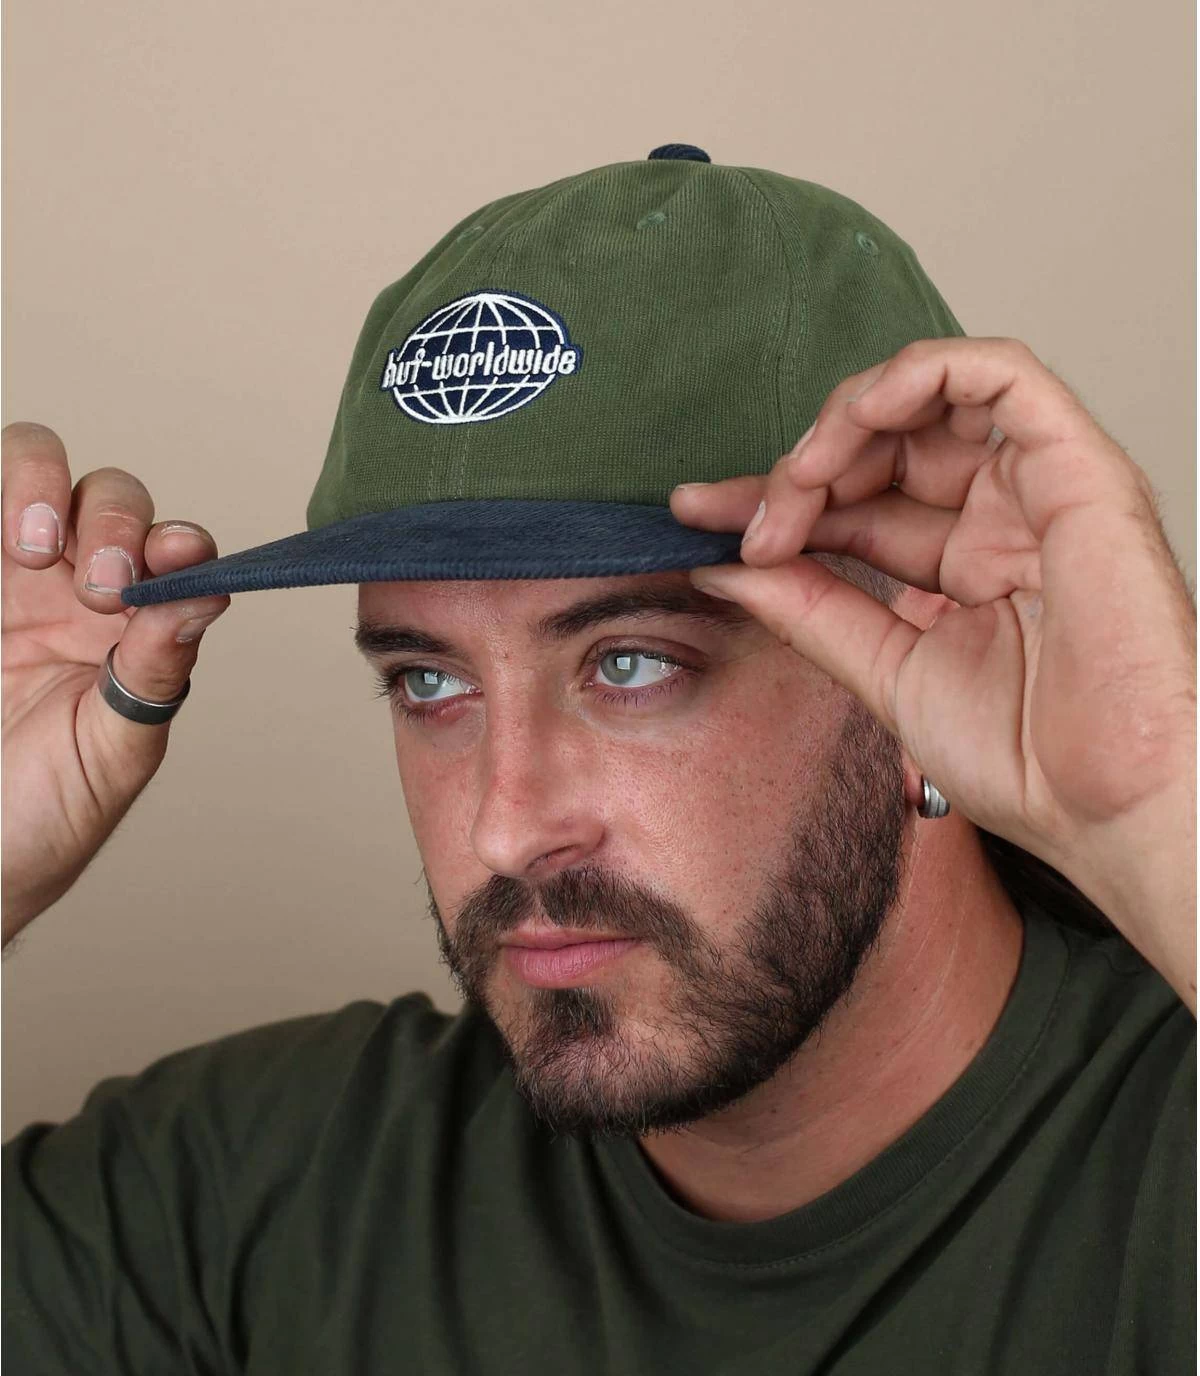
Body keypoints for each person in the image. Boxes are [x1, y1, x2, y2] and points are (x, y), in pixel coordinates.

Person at [3, 146, 1195, 1373]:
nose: (506, 826)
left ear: (926, 635)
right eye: (429, 681)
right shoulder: (262, 1201)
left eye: (631, 662)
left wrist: (1163, 803)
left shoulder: (1171, 1180)